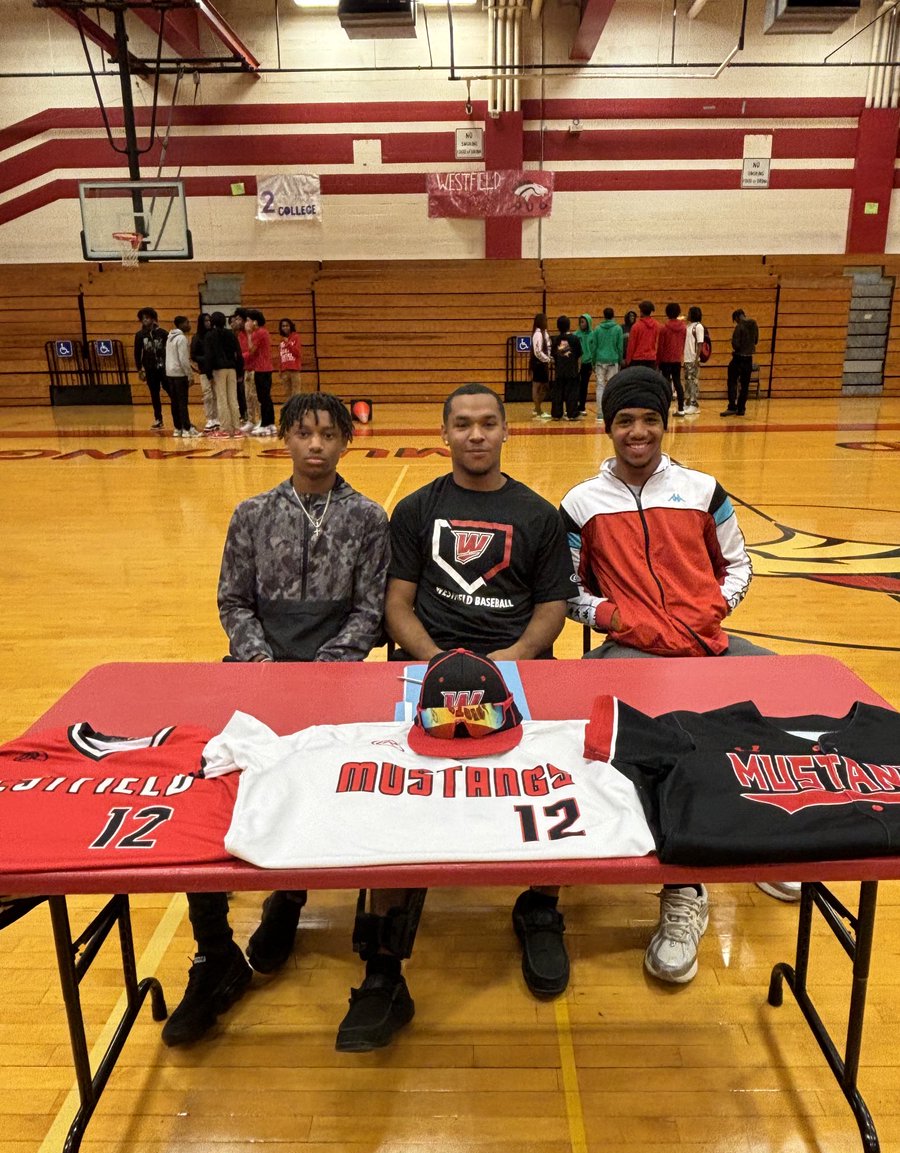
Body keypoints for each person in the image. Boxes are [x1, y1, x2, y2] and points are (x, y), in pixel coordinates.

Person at [334, 383, 578, 1053]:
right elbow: (398, 605)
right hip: (424, 668)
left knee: (547, 782)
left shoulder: (537, 514)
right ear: (445, 433)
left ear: (507, 431)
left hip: (517, 670)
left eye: (488, 423)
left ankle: (541, 907)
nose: (476, 435)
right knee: (397, 800)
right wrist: (442, 663)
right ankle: (384, 969)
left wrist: (508, 662)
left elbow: (551, 607)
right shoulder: (416, 510)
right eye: (463, 425)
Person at [162, 391, 391, 1048]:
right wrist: (263, 662)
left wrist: (324, 668)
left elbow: (369, 612)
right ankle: (214, 953)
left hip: (336, 679)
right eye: (302, 433)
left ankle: (289, 894)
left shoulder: (369, 519)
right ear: (284, 439)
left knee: (331, 787)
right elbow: (233, 599)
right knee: (211, 796)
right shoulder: (252, 514)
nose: (315, 445)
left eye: (327, 434)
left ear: (347, 441)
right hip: (255, 674)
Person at [559, 367, 782, 984]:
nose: (638, 432)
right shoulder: (582, 503)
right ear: (608, 428)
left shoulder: (704, 490)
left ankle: (759, 838)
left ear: (666, 421)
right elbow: (567, 589)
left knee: (777, 707)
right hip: (635, 649)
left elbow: (739, 566)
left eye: (650, 419)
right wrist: (610, 617)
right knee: (637, 744)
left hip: (707, 643)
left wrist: (715, 610)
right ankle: (683, 888)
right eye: (625, 421)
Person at [203, 311, 243, 438]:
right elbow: (239, 353)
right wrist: (240, 371)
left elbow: (208, 356)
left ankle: (225, 429)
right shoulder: (230, 334)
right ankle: (237, 429)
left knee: (221, 399)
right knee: (233, 398)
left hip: (218, 370)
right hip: (232, 368)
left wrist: (208, 374)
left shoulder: (210, 335)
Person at [133, 307, 171, 430]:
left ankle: (179, 416)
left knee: (171, 391)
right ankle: (158, 419)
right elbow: (137, 353)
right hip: (150, 369)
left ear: (153, 319)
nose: (145, 320)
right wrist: (140, 369)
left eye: (147, 318)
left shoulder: (163, 333)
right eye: (143, 318)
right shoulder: (140, 335)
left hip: (164, 368)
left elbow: (170, 350)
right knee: (154, 394)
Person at [164, 316, 199, 438]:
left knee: (174, 402)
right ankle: (187, 429)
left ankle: (177, 428)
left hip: (170, 374)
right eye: (187, 322)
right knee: (182, 402)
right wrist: (190, 375)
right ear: (181, 324)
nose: (189, 325)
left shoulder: (169, 338)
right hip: (179, 374)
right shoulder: (182, 338)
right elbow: (183, 359)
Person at [721, 308, 759, 418]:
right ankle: (741, 409)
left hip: (738, 358)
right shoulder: (754, 324)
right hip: (749, 359)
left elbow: (735, 344)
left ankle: (732, 406)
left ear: (737, 317)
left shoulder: (739, 326)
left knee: (732, 381)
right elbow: (756, 340)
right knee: (745, 385)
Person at [245, 308, 277, 436]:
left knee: (263, 398)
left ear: (255, 322)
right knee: (266, 398)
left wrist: (248, 334)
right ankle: (270, 424)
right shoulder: (264, 332)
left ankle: (265, 424)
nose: (246, 323)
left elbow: (251, 350)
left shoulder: (258, 333)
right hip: (266, 368)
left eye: (248, 320)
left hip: (262, 369)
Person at [591, 307, 623, 420]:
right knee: (613, 387)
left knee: (600, 386)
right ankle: (612, 411)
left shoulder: (597, 329)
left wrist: (593, 361)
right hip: (613, 360)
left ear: (603, 316)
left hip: (600, 360)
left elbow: (594, 347)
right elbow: (620, 347)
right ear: (613, 315)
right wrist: (620, 360)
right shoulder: (618, 329)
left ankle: (600, 414)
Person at [657, 302, 687, 417]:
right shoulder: (683, 328)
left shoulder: (664, 328)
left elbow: (661, 346)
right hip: (676, 359)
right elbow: (683, 343)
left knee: (665, 383)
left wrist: (658, 360)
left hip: (665, 359)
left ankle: (665, 407)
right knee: (678, 382)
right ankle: (681, 408)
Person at [550, 315, 582, 421]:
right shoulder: (575, 339)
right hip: (572, 370)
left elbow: (553, 356)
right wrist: (578, 368)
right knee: (572, 392)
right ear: (569, 326)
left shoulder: (555, 339)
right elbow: (579, 355)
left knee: (558, 392)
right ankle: (572, 414)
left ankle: (556, 414)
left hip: (560, 370)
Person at [191, 312, 217, 433]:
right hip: (204, 370)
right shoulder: (196, 337)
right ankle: (210, 418)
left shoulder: (214, 335)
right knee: (207, 394)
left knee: (217, 394)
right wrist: (206, 358)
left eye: (209, 320)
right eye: (205, 321)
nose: (208, 323)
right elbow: (194, 355)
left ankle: (217, 417)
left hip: (216, 369)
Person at [683, 305, 705, 416]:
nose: (687, 315)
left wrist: (696, 358)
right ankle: (688, 402)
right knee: (687, 381)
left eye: (689, 312)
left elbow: (700, 343)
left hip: (693, 358)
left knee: (693, 382)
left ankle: (694, 404)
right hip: (686, 358)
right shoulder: (688, 326)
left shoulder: (698, 327)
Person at [530, 313, 552, 420]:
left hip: (543, 364)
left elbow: (548, 346)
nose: (547, 322)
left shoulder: (544, 333)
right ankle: (538, 411)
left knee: (544, 387)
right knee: (537, 387)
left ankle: (536, 407)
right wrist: (547, 359)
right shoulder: (538, 334)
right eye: (546, 320)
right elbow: (537, 351)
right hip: (539, 364)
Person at [229, 311, 250, 425]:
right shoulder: (232, 335)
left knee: (245, 393)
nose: (234, 323)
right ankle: (242, 414)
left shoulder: (246, 334)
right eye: (232, 321)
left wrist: (240, 356)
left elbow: (247, 352)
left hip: (246, 366)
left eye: (237, 320)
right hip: (235, 366)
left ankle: (248, 415)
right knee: (238, 392)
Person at [624, 301, 660, 368]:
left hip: (637, 359)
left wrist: (628, 361)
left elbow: (631, 345)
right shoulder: (656, 325)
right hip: (651, 359)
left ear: (641, 311)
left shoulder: (636, 326)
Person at [573, 313, 594, 413]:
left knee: (584, 385)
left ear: (588, 323)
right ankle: (573, 405)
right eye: (580, 322)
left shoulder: (593, 335)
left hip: (587, 363)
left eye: (583, 322)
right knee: (575, 384)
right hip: (577, 363)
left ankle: (582, 406)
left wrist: (593, 363)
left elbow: (594, 349)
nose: (581, 324)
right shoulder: (575, 335)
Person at [278, 318, 302, 401]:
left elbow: (297, 353)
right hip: (285, 370)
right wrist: (280, 369)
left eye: (287, 326)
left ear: (291, 326)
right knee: (287, 395)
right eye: (283, 326)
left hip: (294, 370)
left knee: (296, 394)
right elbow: (281, 356)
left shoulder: (296, 337)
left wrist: (288, 343)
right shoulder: (281, 342)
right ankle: (289, 413)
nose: (285, 328)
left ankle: (297, 412)